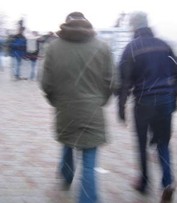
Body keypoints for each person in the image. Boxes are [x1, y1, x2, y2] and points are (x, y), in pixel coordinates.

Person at [41, 12, 115, 203]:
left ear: (66, 24)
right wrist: (100, 100)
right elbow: (113, 82)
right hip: (92, 110)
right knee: (89, 164)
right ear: (86, 23)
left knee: (68, 140)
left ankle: (66, 175)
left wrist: (56, 101)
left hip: (65, 108)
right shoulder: (103, 47)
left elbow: (46, 83)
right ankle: (88, 199)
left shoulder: (53, 48)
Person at [117, 11, 177, 202]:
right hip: (165, 100)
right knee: (163, 142)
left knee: (142, 143)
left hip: (143, 102)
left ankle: (144, 182)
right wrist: (174, 99)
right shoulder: (164, 45)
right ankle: (168, 182)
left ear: (133, 27)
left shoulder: (130, 48)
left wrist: (120, 108)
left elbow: (124, 81)